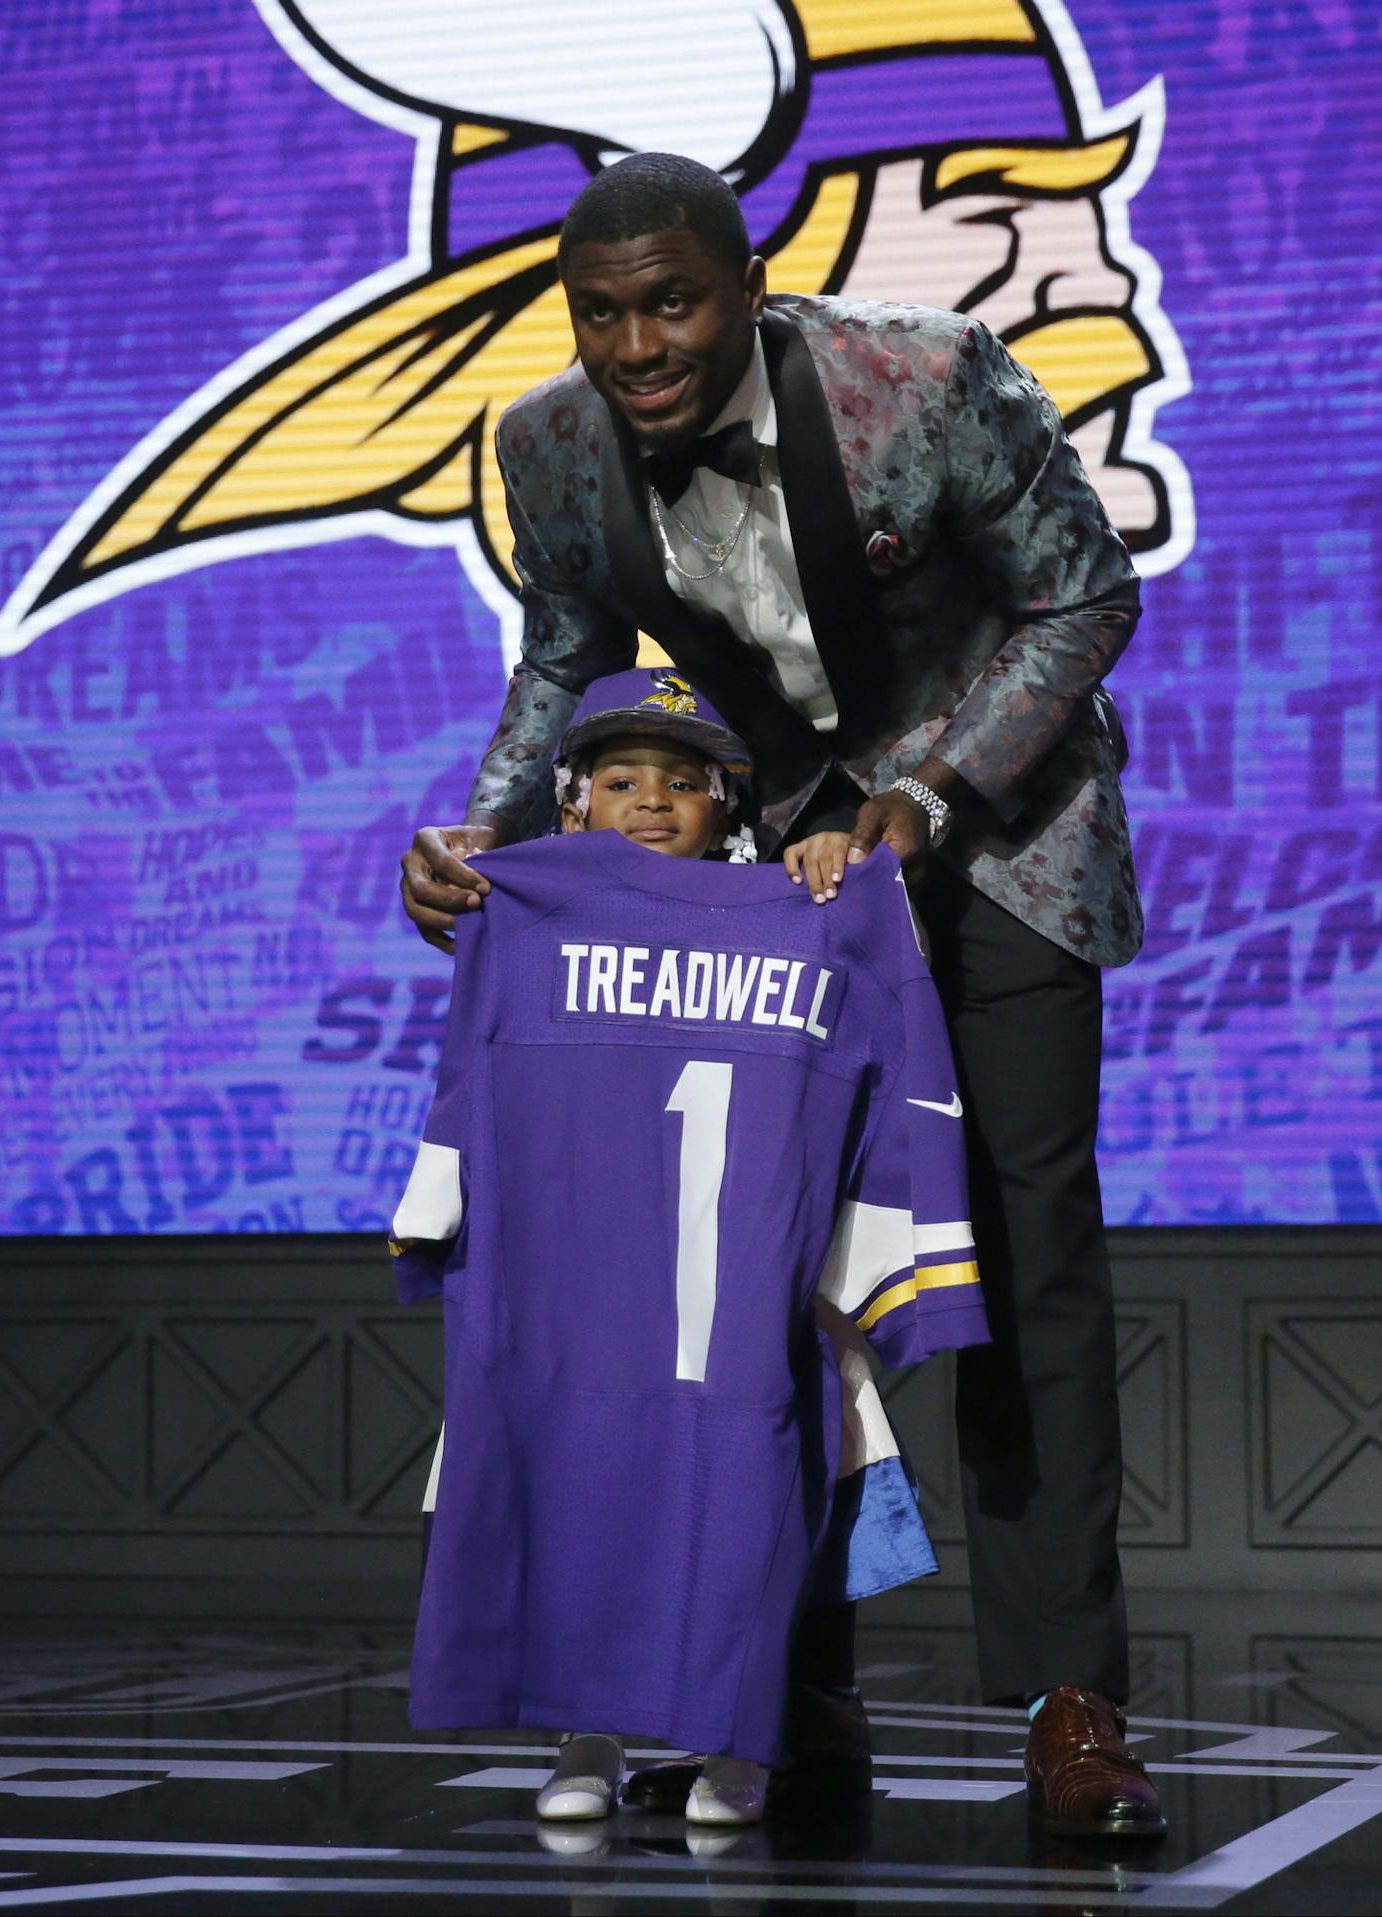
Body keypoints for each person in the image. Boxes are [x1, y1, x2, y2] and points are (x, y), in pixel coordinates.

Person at [400, 151, 1164, 1839]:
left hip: (1003, 842)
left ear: (745, 285)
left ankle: (1070, 1708)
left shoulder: (920, 376)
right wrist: (489, 833)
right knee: (777, 1273)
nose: (635, 344)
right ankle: (780, 1689)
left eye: (668, 302)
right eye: (598, 314)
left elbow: (1081, 593)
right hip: (787, 887)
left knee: (1019, 1256)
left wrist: (935, 791)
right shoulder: (548, 444)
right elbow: (559, 656)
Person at [392, 666, 987, 1827]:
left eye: (683, 781)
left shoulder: (808, 903)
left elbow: (892, 1059)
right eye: (619, 779)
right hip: (580, 1294)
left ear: (731, 805)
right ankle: (586, 1732)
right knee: (574, 1486)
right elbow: (468, 1071)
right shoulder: (522, 914)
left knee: (747, 1503)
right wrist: (439, 1205)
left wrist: (835, 877)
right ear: (570, 806)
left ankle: (737, 1736)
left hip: (742, 1295)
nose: (650, 801)